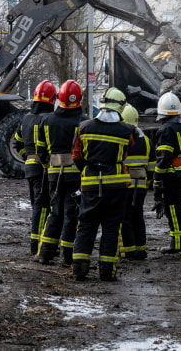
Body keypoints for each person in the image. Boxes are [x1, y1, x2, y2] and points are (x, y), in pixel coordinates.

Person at [71, 87, 135, 281]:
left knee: (86, 226)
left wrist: (88, 169)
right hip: (116, 187)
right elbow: (128, 151)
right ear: (120, 107)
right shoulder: (126, 130)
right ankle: (107, 272)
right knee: (111, 228)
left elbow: (76, 155)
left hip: (90, 185)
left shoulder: (84, 127)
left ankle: (79, 270)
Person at [36, 80, 88, 267]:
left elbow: (41, 152)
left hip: (53, 174)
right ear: (79, 99)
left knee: (54, 212)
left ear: (59, 98)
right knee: (71, 213)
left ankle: (45, 254)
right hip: (75, 175)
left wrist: (49, 166)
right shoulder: (83, 122)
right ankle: (67, 256)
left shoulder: (46, 120)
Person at [14, 80, 56, 255]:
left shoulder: (26, 118)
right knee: (43, 205)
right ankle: (38, 245)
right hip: (44, 169)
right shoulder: (48, 119)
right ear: (52, 99)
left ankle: (39, 243)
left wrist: (28, 157)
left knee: (37, 205)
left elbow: (17, 143)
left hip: (30, 169)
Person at [152, 92, 181, 255]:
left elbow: (163, 159)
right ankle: (177, 242)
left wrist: (156, 179)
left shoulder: (166, 129)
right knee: (176, 209)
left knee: (173, 210)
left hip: (172, 176)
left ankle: (179, 245)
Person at [120, 104, 154, 260]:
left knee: (125, 217)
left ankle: (129, 250)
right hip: (140, 185)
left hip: (124, 184)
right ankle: (141, 250)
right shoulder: (146, 140)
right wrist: (146, 184)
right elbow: (152, 166)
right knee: (138, 216)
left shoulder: (120, 138)